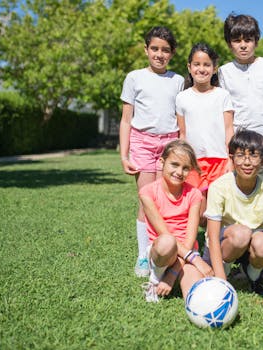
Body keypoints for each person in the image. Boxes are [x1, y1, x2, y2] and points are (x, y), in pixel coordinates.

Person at [119, 26, 184, 278]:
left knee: (165, 199)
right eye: (154, 49)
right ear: (146, 49)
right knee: (147, 200)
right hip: (142, 142)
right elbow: (126, 119)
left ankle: (163, 250)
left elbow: (181, 117)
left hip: (169, 144)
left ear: (172, 53)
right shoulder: (134, 77)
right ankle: (144, 255)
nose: (159, 54)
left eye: (165, 50)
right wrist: (124, 156)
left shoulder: (178, 80)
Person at [203, 129, 263, 307]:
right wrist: (220, 283)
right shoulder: (219, 186)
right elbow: (212, 234)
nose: (247, 162)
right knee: (241, 233)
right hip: (225, 244)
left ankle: (252, 276)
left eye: (254, 156)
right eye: (240, 155)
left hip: (250, 246)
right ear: (232, 158)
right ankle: (223, 275)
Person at [139, 140, 214, 302]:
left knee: (197, 295)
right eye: (174, 164)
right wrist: (197, 260)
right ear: (162, 162)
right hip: (161, 252)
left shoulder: (194, 194)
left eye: (186, 168)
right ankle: (155, 279)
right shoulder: (147, 192)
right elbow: (164, 235)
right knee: (168, 241)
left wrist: (172, 275)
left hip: (186, 255)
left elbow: (189, 240)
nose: (179, 172)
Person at [218, 14, 263, 183]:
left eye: (248, 40)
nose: (243, 45)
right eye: (237, 40)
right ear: (229, 44)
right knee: (238, 198)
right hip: (238, 145)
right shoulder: (223, 72)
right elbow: (224, 114)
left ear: (256, 41)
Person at [176, 43, 234, 224]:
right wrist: (182, 161)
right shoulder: (182, 97)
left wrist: (230, 159)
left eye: (207, 65)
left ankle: (213, 249)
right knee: (198, 212)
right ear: (189, 67)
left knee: (218, 212)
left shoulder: (222, 96)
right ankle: (192, 247)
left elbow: (229, 129)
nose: (201, 69)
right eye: (197, 64)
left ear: (214, 68)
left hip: (219, 162)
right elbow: (182, 134)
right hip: (194, 162)